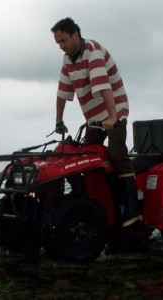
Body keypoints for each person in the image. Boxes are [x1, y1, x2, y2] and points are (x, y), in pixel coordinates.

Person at [50, 17, 142, 227]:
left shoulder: (93, 50)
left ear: (75, 34)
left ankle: (131, 208)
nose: (61, 47)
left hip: (115, 107)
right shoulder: (67, 59)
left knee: (117, 152)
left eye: (63, 41)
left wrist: (112, 117)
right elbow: (63, 92)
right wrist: (58, 121)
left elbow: (104, 86)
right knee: (90, 156)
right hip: (93, 116)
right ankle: (101, 202)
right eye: (58, 43)